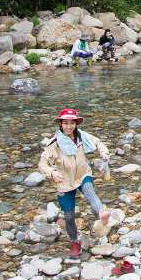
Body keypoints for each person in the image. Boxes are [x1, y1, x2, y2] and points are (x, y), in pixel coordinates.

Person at [38, 108, 111, 259]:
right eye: (66, 123)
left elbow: (98, 143)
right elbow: (42, 163)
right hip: (64, 182)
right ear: (60, 124)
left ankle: (101, 213)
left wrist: (104, 152)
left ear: (76, 124)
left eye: (72, 123)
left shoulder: (82, 137)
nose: (69, 126)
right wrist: (51, 172)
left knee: (90, 191)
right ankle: (74, 241)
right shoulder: (54, 144)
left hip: (83, 174)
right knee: (69, 216)